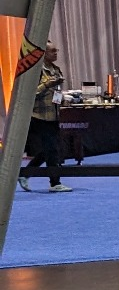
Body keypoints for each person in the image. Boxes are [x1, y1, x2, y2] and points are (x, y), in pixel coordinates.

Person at [17, 41, 69, 192]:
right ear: (44, 54)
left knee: (51, 148)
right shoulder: (37, 71)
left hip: (53, 114)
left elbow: (57, 92)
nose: (56, 53)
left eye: (56, 50)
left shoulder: (56, 70)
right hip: (39, 115)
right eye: (52, 51)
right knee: (51, 149)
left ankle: (25, 173)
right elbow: (29, 93)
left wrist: (62, 100)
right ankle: (55, 183)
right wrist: (47, 85)